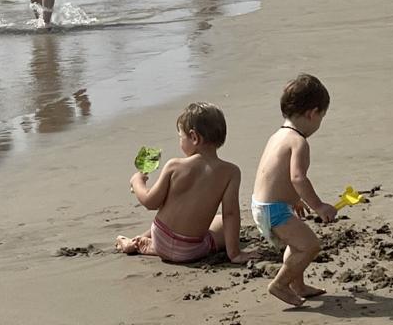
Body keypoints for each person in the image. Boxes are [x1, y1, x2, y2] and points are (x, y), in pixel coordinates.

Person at [115, 102, 254, 265]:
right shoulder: (231, 172)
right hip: (191, 251)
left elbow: (150, 202)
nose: (180, 141)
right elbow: (230, 213)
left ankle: (139, 242)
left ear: (194, 137)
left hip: (161, 238)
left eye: (181, 137)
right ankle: (144, 243)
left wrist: (137, 182)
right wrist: (234, 253)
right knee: (222, 222)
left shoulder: (174, 166)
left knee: (169, 218)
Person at [251, 74, 335, 307]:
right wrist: (318, 206)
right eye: (321, 117)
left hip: (263, 206)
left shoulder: (278, 135)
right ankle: (280, 284)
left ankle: (298, 285)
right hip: (274, 210)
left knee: (297, 244)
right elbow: (297, 177)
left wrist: (295, 200)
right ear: (312, 113)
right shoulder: (299, 141)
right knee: (310, 246)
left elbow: (275, 176)